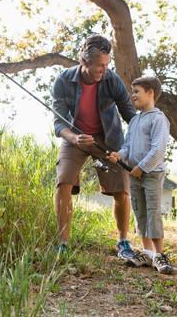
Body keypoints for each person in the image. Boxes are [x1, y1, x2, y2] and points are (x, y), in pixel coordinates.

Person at [52, 34, 137, 258]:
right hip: (75, 137)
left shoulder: (113, 79)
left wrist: (140, 142)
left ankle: (123, 242)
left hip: (108, 138)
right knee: (63, 183)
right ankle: (63, 244)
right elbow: (59, 123)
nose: (105, 70)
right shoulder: (63, 80)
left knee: (121, 189)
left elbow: (131, 115)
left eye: (107, 64)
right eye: (100, 65)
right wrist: (74, 139)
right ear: (84, 61)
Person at [107, 76, 173, 274]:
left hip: (151, 174)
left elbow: (159, 149)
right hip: (134, 175)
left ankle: (160, 255)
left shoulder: (158, 118)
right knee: (139, 211)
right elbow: (128, 146)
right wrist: (120, 154)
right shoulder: (134, 121)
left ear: (150, 92)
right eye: (132, 91)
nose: (132, 95)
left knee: (153, 211)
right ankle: (146, 253)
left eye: (136, 91)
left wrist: (142, 167)